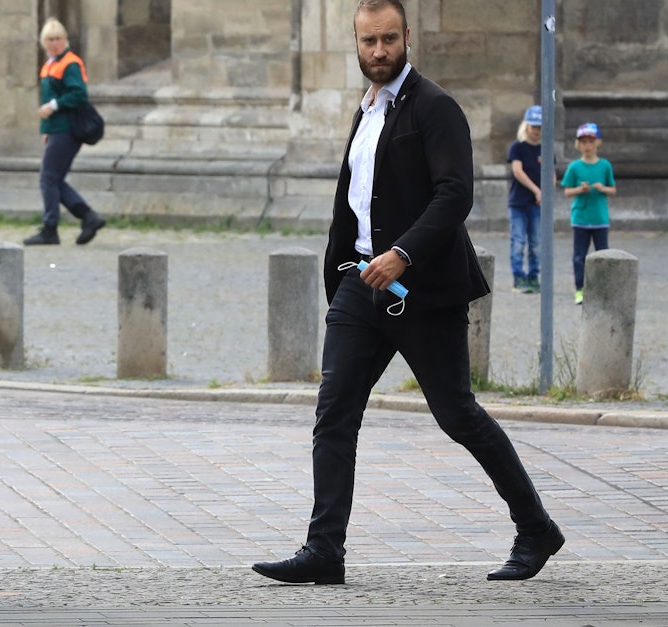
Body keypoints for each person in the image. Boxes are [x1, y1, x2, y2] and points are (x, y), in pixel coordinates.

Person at [251, 0, 564, 585]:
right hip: (360, 285)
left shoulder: (436, 108)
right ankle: (324, 552)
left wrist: (403, 252)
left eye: (388, 40)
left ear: (407, 37)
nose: (378, 52)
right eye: (368, 41)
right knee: (334, 413)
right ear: (356, 40)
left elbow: (454, 194)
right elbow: (354, 200)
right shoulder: (366, 110)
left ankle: (536, 527)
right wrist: (340, 280)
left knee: (458, 415)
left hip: (423, 289)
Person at [21, 18, 106, 246]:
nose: (55, 43)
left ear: (65, 40)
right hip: (55, 129)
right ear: (43, 42)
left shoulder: (70, 63)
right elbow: (45, 98)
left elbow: (79, 94)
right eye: (50, 39)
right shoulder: (50, 64)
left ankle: (51, 228)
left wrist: (53, 107)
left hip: (68, 128)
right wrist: (45, 130)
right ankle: (89, 217)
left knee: (48, 178)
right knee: (54, 179)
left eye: (58, 38)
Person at [562, 122, 616, 305]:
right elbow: (567, 191)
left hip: (600, 218)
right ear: (579, 144)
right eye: (583, 141)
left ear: (597, 143)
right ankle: (580, 289)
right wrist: (579, 189)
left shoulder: (605, 165)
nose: (587, 145)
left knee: (603, 255)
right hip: (580, 218)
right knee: (579, 256)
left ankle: (603, 289)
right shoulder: (575, 167)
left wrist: (603, 188)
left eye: (591, 141)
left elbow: (613, 189)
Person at [506, 105, 544, 294]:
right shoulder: (518, 147)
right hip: (519, 202)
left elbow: (550, 174)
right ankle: (519, 277)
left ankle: (534, 277)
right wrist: (537, 190)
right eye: (534, 126)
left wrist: (546, 193)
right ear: (526, 126)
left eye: (539, 127)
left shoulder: (545, 149)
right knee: (519, 241)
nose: (536, 131)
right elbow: (517, 171)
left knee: (537, 243)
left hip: (537, 204)